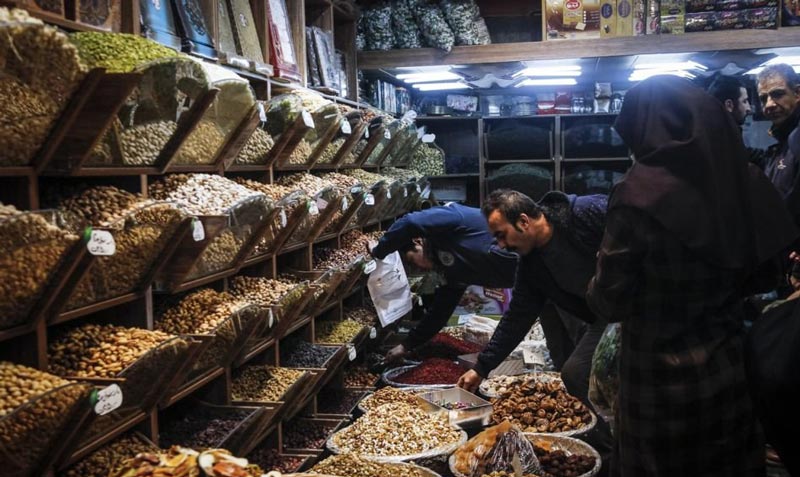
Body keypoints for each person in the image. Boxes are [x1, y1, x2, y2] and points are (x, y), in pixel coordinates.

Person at [586, 75, 797, 477]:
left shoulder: (638, 195)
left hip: (657, 384)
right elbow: (768, 274)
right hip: (729, 373)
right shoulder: (743, 180)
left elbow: (608, 300)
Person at [456, 190, 608, 410]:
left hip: (642, 303)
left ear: (523, 221)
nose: (500, 245)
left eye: (501, 235)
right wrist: (481, 367)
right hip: (605, 317)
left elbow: (633, 224)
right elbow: (517, 317)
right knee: (576, 373)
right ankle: (606, 440)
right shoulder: (531, 265)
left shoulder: (584, 213)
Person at [368, 203, 518, 362]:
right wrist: (406, 345)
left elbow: (410, 222)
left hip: (532, 256)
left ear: (418, 241)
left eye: (412, 260)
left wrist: (379, 251)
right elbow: (441, 310)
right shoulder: (450, 268)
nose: (418, 268)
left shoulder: (453, 218)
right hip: (524, 279)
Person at [757, 63, 800, 226]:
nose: (769, 104)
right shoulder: (783, 143)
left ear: (797, 93)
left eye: (777, 94)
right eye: (763, 98)